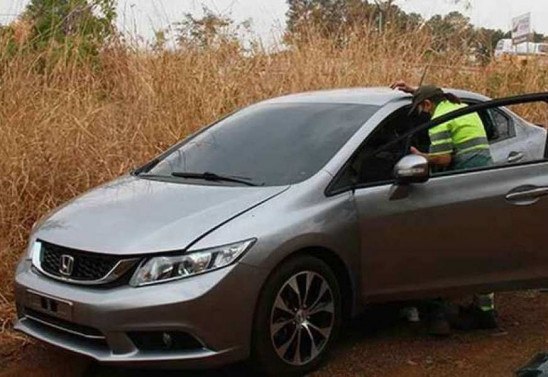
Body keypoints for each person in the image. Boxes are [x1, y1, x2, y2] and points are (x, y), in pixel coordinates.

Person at [391, 81, 498, 335]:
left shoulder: (438, 119)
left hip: (465, 186)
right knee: (482, 247)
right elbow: (435, 91)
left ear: (428, 105)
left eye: (422, 108)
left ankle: (441, 311)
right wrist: (413, 90)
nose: (423, 114)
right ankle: (486, 310)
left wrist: (421, 154)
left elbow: (444, 159)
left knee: (446, 245)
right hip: (487, 181)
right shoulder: (459, 106)